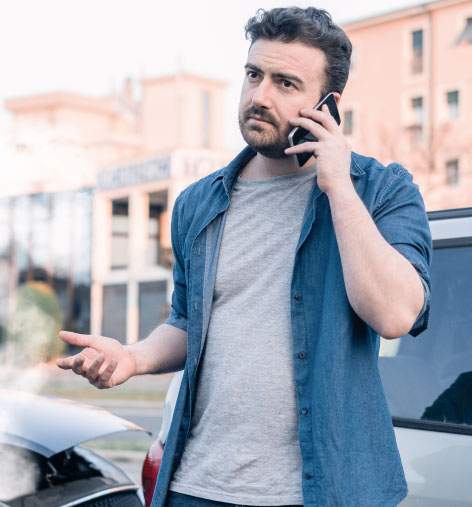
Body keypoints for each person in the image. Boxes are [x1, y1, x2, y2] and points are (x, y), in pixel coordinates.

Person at [56, 7, 431, 507]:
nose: (259, 96)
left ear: (328, 105)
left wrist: (338, 187)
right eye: (253, 74)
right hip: (196, 486)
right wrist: (133, 357)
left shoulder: (383, 190)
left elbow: (395, 313)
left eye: (285, 83)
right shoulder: (199, 202)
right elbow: (190, 323)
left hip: (322, 493)